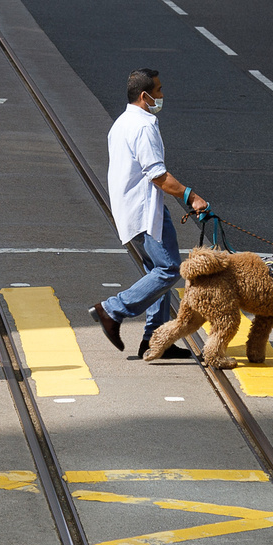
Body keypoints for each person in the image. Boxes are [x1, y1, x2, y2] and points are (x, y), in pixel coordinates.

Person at [89, 69, 208, 360]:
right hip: (145, 211)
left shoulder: (121, 122)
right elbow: (157, 175)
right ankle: (112, 309)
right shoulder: (143, 126)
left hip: (130, 208)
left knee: (156, 271)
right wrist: (192, 197)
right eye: (159, 90)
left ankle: (155, 340)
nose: (162, 95)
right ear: (145, 96)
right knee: (169, 269)